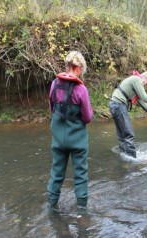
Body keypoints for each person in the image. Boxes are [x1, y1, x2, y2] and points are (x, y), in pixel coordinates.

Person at [47, 51, 93, 209]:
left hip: (58, 139)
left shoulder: (54, 84)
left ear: (67, 66)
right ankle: (82, 210)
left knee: (56, 172)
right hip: (78, 141)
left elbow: (52, 109)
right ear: (79, 69)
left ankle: (51, 206)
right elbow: (87, 117)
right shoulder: (81, 90)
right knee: (80, 174)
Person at [109, 71, 147, 158]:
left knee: (122, 134)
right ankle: (132, 159)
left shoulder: (135, 82)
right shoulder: (137, 79)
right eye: (146, 84)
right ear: (145, 78)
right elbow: (145, 98)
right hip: (119, 105)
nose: (145, 86)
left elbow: (142, 102)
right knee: (129, 134)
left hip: (114, 105)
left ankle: (124, 156)